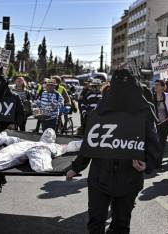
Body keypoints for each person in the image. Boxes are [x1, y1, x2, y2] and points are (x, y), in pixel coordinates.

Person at [66, 69, 158, 234]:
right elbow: (91, 141)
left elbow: (152, 142)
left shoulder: (144, 110)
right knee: (96, 221)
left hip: (129, 177)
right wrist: (76, 167)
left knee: (121, 224)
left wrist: (147, 164)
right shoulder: (102, 108)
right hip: (100, 176)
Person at [0, 67, 25, 193]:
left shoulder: (14, 97)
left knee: (1, 156)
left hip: (6, 131)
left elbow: (21, 113)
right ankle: (1, 178)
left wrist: (14, 124)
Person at [153, 80, 168, 168]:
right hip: (158, 124)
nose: (155, 86)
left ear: (163, 87)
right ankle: (158, 162)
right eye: (155, 84)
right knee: (160, 143)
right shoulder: (152, 96)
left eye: (158, 85)